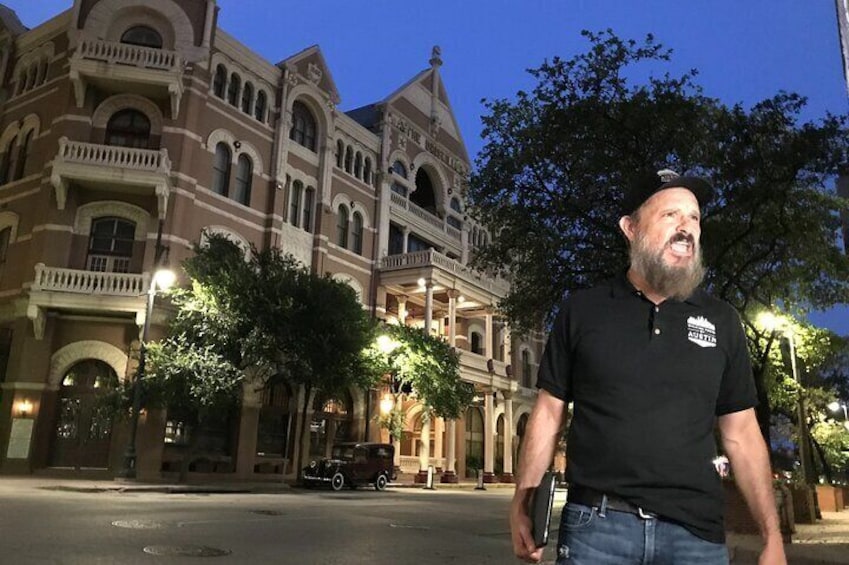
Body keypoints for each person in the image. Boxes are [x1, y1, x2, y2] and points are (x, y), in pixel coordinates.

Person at [509, 171, 786, 564]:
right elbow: (549, 412)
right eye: (671, 215)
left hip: (697, 538)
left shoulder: (722, 320)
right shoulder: (583, 310)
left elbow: (741, 432)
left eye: (694, 218)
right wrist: (523, 501)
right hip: (597, 530)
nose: (686, 227)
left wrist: (771, 536)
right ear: (631, 228)